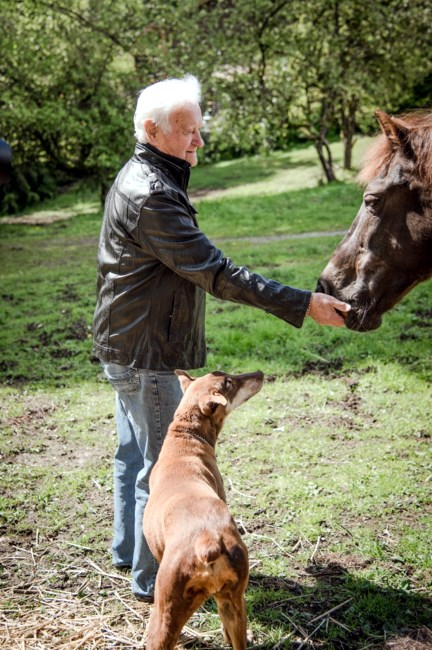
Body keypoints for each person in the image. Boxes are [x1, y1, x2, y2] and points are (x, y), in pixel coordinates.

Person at [92, 74, 350, 602]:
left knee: (133, 453)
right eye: (188, 132)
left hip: (126, 344)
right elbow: (217, 272)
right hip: (147, 353)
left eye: (199, 130)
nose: (199, 142)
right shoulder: (153, 194)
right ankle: (151, 581)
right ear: (151, 129)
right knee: (162, 472)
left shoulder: (148, 174)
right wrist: (303, 303)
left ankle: (128, 552)